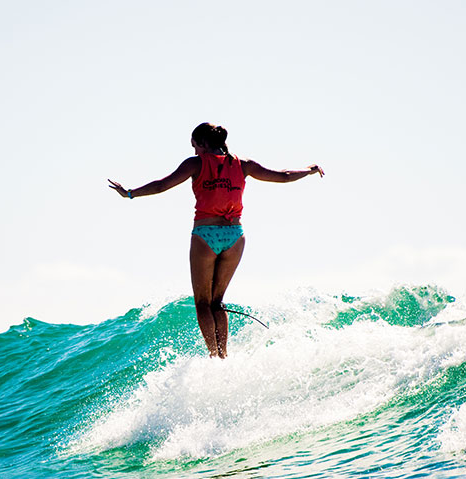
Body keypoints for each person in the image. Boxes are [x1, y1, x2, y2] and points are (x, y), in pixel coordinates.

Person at [108, 122, 324, 358]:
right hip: (235, 237)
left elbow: (162, 185)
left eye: (195, 146)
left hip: (205, 235)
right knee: (217, 302)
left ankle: (214, 355)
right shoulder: (243, 165)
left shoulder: (196, 163)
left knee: (202, 303)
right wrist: (309, 170)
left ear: (202, 143)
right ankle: (224, 354)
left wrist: (130, 193)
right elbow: (283, 177)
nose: (194, 152)